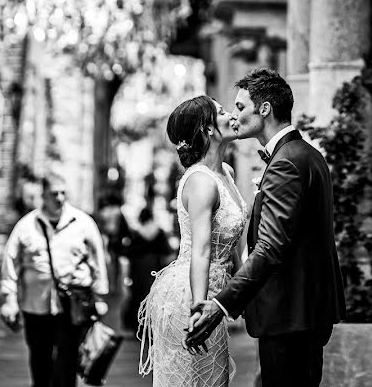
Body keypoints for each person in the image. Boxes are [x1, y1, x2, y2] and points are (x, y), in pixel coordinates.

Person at [185, 69, 347, 387]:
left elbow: (271, 246)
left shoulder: (286, 162)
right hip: (302, 312)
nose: (234, 115)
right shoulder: (306, 155)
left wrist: (220, 305)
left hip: (290, 315)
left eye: (241, 107)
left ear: (264, 109)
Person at [137, 95, 247, 387]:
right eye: (223, 112)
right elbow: (202, 249)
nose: (232, 116)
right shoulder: (200, 181)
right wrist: (198, 307)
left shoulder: (226, 174)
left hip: (214, 296)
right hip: (188, 296)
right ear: (208, 128)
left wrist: (243, 293)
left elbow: (231, 245)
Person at [1, 177, 109, 387]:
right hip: (35, 307)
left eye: (63, 193)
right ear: (43, 196)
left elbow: (98, 261)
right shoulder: (26, 226)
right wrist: (9, 299)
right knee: (39, 360)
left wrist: (99, 297)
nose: (59, 198)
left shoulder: (83, 222)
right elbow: (10, 262)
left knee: (67, 362)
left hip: (73, 307)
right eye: (54, 194)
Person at [122, 207, 171, 332]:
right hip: (154, 267)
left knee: (138, 296)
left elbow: (129, 253)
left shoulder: (136, 233)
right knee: (154, 295)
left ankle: (138, 324)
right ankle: (153, 323)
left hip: (138, 269)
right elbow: (166, 251)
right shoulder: (159, 232)